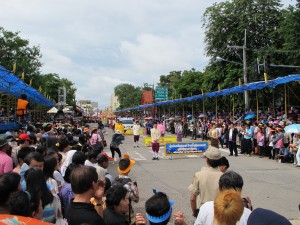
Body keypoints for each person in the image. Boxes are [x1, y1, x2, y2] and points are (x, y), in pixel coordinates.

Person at [188, 146, 223, 217]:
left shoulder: (199, 175)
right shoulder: (224, 176)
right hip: (219, 211)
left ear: (206, 160)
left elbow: (192, 199)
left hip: (203, 210)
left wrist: (195, 212)